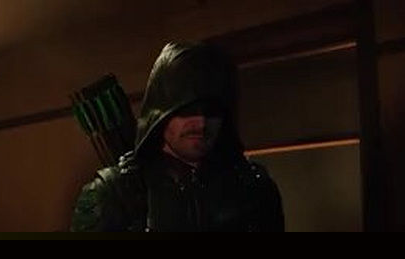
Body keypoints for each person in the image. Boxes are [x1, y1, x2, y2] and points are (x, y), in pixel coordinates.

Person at [71, 41, 284, 232]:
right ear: (162, 113)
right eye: (187, 109)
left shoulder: (253, 189)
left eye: (211, 111)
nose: (201, 123)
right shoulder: (114, 193)